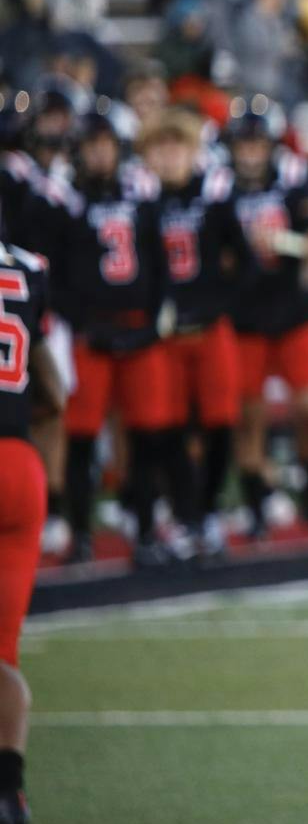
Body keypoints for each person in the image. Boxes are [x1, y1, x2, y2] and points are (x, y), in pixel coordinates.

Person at [60, 111, 176, 564]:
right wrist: (83, 322)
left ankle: (144, 528)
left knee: (149, 434)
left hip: (137, 331)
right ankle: (80, 534)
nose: (100, 153)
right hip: (91, 333)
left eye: (106, 144)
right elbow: (59, 271)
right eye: (91, 145)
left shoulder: (143, 195)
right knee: (82, 437)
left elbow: (159, 265)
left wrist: (153, 321)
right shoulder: (67, 199)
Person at [224, 108, 308, 539]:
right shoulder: (220, 187)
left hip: (293, 310)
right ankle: (255, 505)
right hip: (246, 314)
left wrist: (280, 243)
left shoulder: (293, 178)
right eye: (244, 144)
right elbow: (219, 259)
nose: (250, 152)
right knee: (250, 417)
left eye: (257, 143)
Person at [142, 109, 248, 559]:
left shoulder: (216, 195)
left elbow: (243, 260)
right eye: (160, 149)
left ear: (193, 151)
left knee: (221, 421)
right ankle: (183, 513)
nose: (169, 157)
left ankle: (206, 509)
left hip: (208, 326)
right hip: (163, 334)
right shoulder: (140, 200)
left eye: (177, 147)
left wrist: (217, 302)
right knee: (164, 427)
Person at [0, 234, 64, 824]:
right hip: (20, 467)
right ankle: (8, 800)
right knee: (3, 655)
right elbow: (56, 391)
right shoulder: (27, 267)